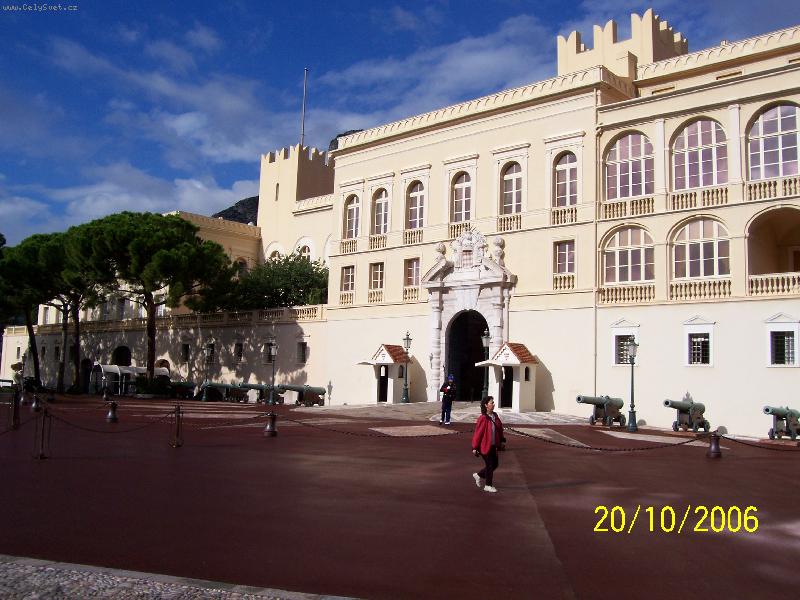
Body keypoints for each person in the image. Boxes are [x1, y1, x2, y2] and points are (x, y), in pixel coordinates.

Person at [471, 396, 505, 493]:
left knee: (495, 464)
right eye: (491, 403)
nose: (493, 404)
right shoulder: (483, 418)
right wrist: (475, 447)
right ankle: (488, 485)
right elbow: (478, 434)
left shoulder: (495, 416)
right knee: (489, 465)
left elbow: (499, 429)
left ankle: (478, 475)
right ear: (486, 405)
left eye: (493, 402)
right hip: (485, 446)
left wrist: (502, 440)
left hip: (494, 446)